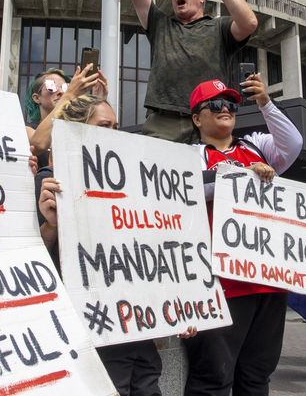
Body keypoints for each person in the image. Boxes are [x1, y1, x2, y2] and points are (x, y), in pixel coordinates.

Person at [37, 93, 195, 396]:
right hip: (94, 336)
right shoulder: (52, 184)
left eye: (116, 127)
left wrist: (182, 305)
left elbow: (155, 254)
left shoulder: (137, 185)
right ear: (76, 129)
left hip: (139, 333)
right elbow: (34, 266)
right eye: (104, 126)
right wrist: (51, 225)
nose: (113, 134)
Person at [182, 76, 302, 396]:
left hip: (268, 282)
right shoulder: (190, 155)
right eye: (216, 105)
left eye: (232, 105)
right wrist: (243, 175)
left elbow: (293, 145)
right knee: (213, 377)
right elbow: (190, 190)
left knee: (256, 374)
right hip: (221, 286)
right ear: (197, 118)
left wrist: (264, 101)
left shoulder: (256, 145)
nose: (226, 109)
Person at [109, 0, 258, 143]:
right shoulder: (160, 25)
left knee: (210, 177)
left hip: (209, 119)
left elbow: (249, 23)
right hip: (164, 122)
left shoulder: (219, 28)